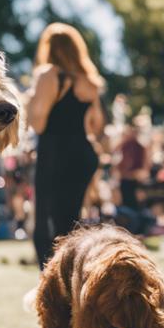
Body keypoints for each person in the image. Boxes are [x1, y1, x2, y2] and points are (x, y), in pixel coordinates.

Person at [27, 22, 105, 269]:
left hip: (55, 155)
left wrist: (29, 102)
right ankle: (74, 278)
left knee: (46, 225)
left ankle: (52, 285)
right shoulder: (89, 82)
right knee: (71, 224)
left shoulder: (48, 74)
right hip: (83, 155)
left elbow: (38, 124)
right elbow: (96, 124)